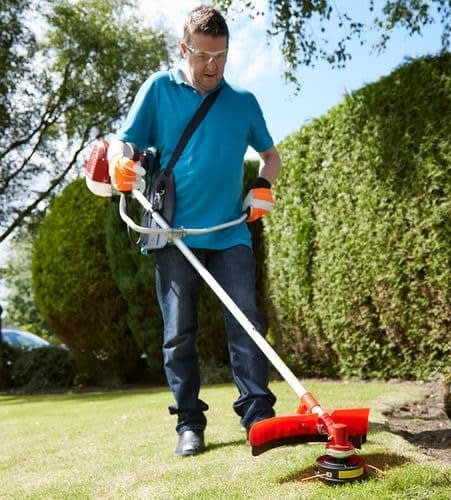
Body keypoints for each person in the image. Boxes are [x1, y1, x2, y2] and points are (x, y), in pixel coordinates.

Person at [107, 5, 281, 456]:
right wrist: (120, 161)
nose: (212, 66)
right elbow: (125, 142)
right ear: (184, 49)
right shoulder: (159, 90)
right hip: (174, 234)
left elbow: (271, 157)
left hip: (229, 234)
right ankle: (189, 422)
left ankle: (258, 414)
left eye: (220, 56)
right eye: (203, 55)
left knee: (246, 323)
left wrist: (262, 186)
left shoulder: (242, 102)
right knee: (178, 332)